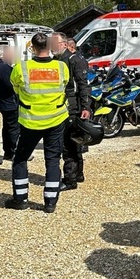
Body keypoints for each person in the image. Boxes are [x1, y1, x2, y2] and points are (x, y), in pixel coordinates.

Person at [6, 33, 70, 214]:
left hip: (30, 121)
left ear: (32, 48)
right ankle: (50, 202)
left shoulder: (21, 67)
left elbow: (16, 89)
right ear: (50, 47)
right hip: (56, 119)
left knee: (20, 159)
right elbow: (65, 86)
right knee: (52, 160)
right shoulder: (61, 66)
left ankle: (21, 199)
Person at [50, 32, 91, 191]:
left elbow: (84, 85)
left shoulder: (74, 60)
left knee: (69, 144)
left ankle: (70, 179)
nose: (52, 48)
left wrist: (86, 107)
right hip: (64, 106)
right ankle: (77, 174)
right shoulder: (58, 61)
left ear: (64, 44)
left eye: (55, 44)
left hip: (73, 107)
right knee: (73, 142)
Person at [0, 45, 20, 161]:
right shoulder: (2, 67)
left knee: (7, 127)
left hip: (5, 102)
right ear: (4, 54)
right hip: (9, 102)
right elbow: (11, 84)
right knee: (13, 128)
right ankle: (13, 151)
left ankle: (8, 151)